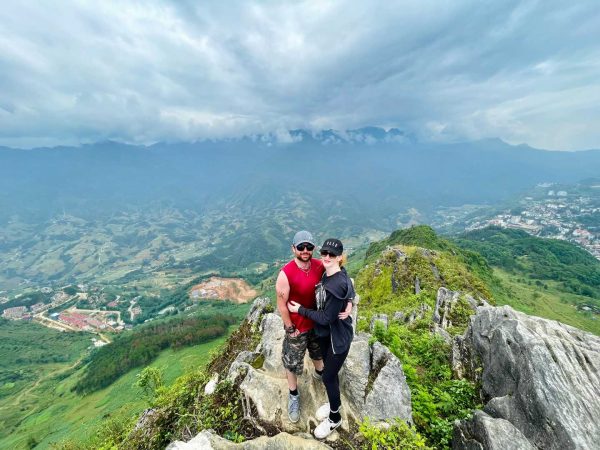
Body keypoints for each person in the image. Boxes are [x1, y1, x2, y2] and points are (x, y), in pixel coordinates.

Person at [276, 231, 352, 424]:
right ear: (293, 248)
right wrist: (289, 327)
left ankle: (322, 376)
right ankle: (293, 394)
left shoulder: (321, 265)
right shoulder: (286, 274)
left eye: (309, 247)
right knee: (292, 361)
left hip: (319, 325)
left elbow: (342, 275)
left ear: (313, 249)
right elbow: (281, 304)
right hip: (298, 326)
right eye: (300, 247)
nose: (305, 250)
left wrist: (350, 299)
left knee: (318, 354)